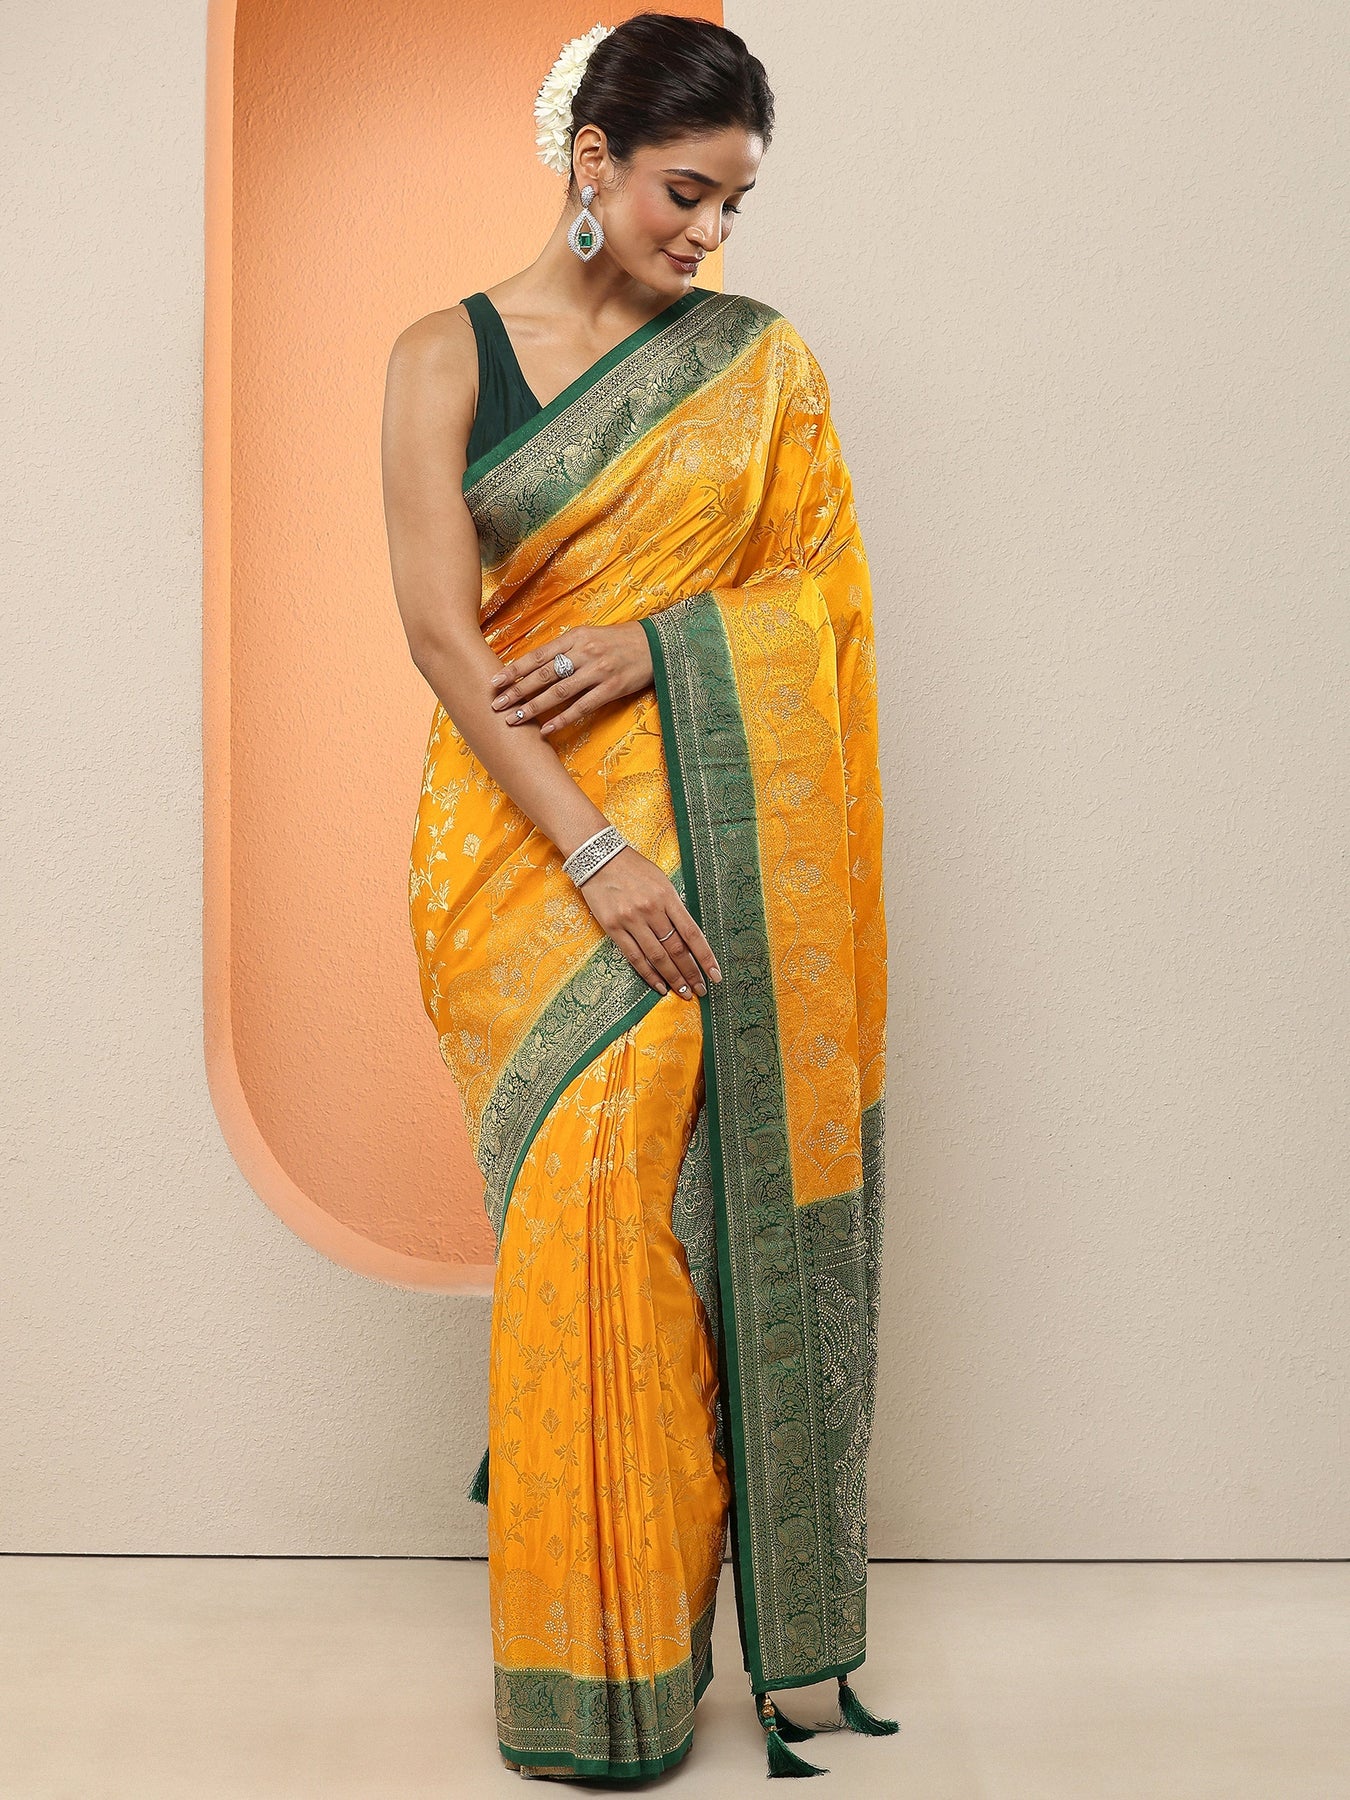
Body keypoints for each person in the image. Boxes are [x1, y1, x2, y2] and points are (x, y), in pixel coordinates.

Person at [382, 13, 895, 1782]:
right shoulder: (440, 355)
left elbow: (822, 597)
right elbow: (442, 640)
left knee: (657, 1240)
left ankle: (656, 1657)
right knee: (577, 1228)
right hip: (518, 863)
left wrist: (659, 643)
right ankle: (582, 1679)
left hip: (709, 856)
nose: (709, 233)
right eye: (686, 191)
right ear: (591, 159)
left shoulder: (757, 364)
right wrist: (594, 858)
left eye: (735, 202)